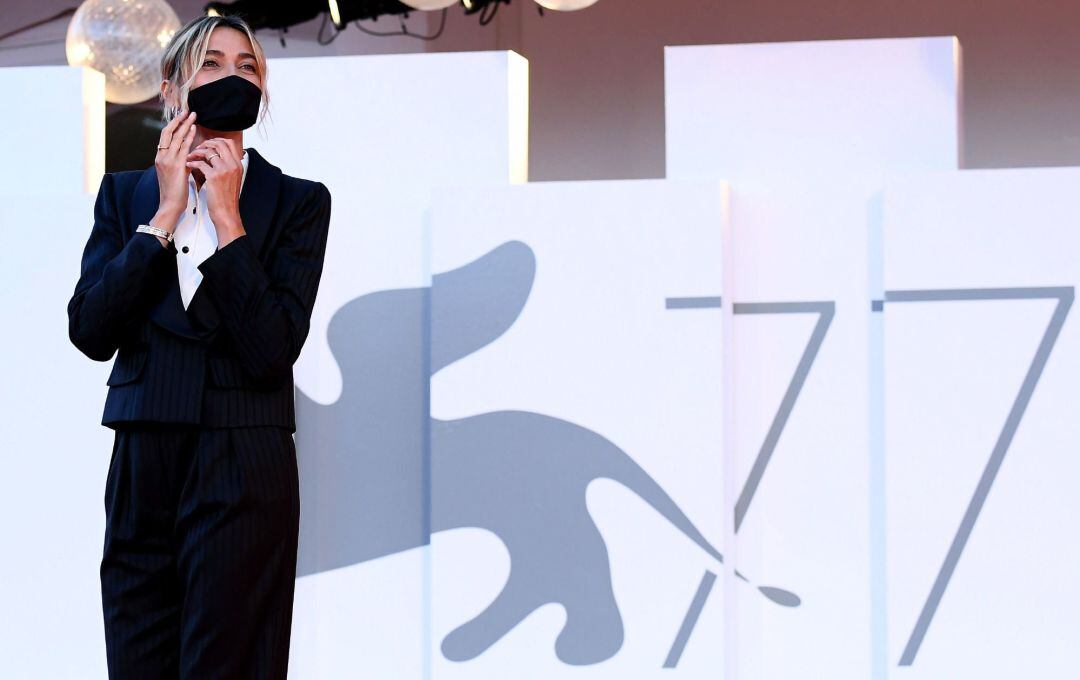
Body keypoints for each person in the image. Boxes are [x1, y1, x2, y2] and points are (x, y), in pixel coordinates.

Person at [66, 13, 332, 679]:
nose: (233, 76)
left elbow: (273, 350)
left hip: (244, 456)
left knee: (229, 663)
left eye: (248, 67)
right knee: (138, 654)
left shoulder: (296, 203)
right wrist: (159, 219)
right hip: (144, 449)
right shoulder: (125, 195)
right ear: (170, 89)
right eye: (212, 62)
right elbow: (91, 331)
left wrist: (227, 221)